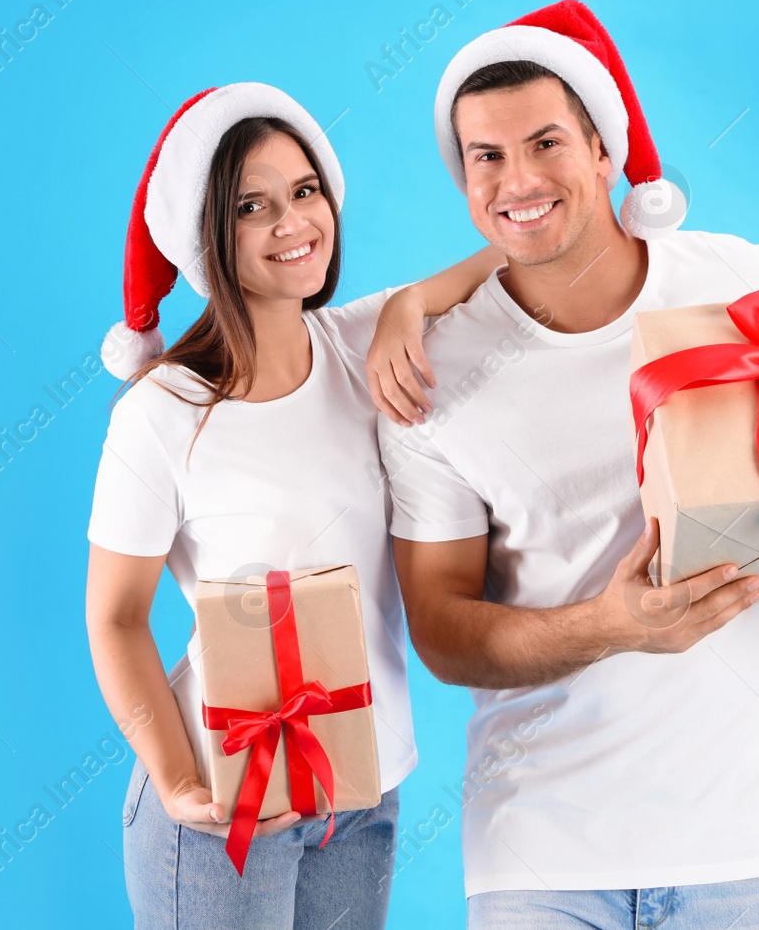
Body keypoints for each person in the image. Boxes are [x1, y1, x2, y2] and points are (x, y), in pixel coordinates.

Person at [378, 0, 759, 929]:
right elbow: (440, 630)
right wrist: (610, 624)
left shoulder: (751, 292)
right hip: (539, 863)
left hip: (751, 848)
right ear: (462, 177)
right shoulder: (432, 373)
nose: (518, 178)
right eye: (487, 156)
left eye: (547, 142)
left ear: (606, 149)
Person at [84, 82, 500, 929]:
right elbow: (116, 619)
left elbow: (514, 257)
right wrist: (176, 780)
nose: (292, 222)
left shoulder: (362, 344)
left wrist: (413, 303)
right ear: (207, 234)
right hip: (223, 799)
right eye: (252, 206)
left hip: (361, 788)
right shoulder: (163, 413)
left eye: (305, 191)